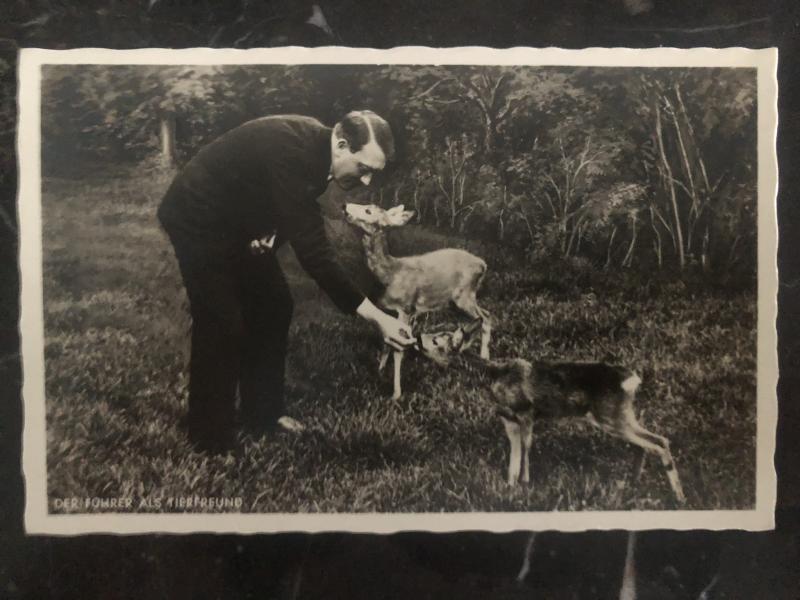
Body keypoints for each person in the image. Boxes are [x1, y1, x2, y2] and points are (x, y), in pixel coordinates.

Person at [157, 111, 413, 453]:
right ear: (341, 144)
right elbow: (314, 251)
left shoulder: (321, 156)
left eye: (372, 174)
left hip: (234, 221)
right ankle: (209, 437)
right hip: (195, 215)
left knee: (275, 305)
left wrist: (268, 237)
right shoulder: (293, 149)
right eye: (364, 169)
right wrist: (377, 317)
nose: (366, 182)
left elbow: (279, 202)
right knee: (221, 321)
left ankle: (262, 415)